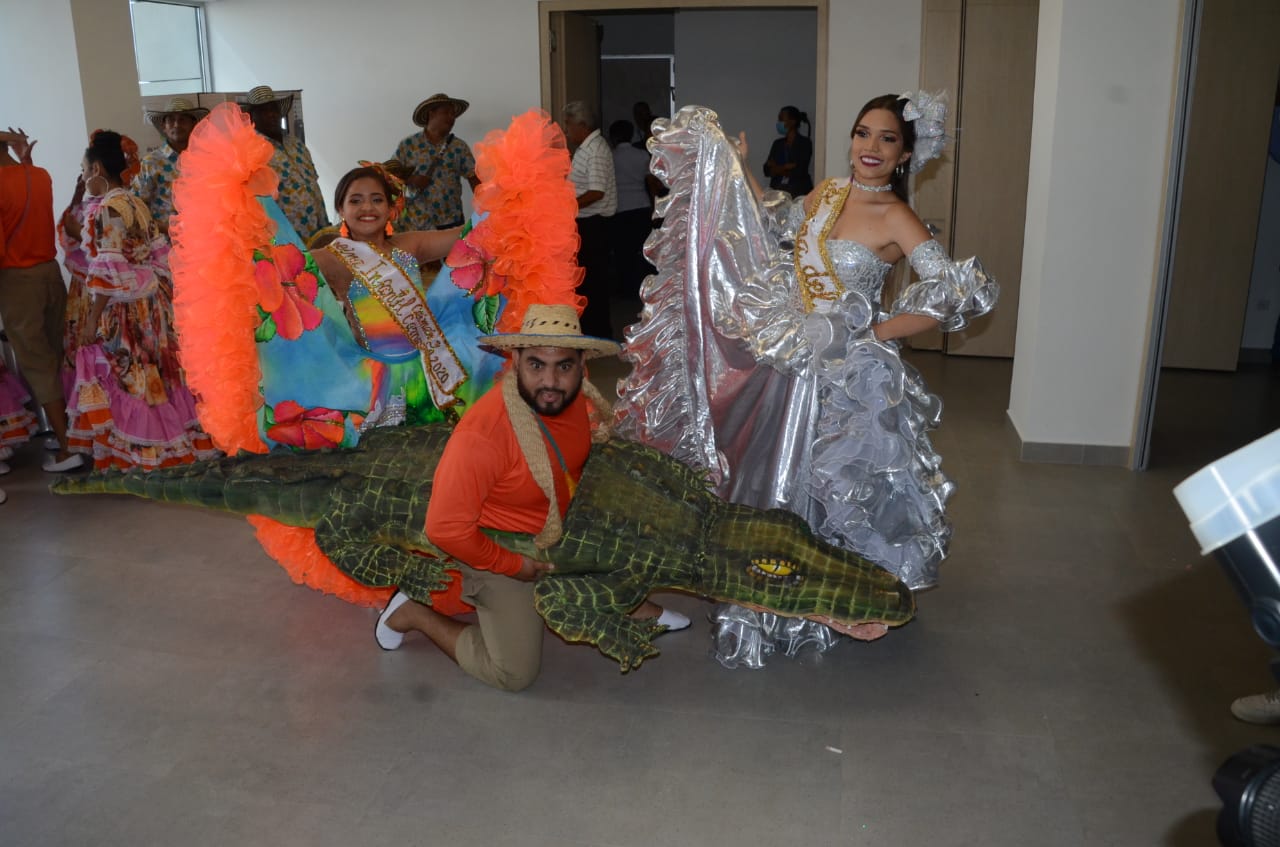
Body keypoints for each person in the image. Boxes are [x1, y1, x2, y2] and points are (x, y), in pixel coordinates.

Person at [615, 94, 997, 668]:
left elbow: (960, 291)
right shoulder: (829, 193)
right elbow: (775, 224)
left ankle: (830, 595)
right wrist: (740, 167)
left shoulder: (896, 215)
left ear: (906, 153)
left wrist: (876, 332)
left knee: (829, 492)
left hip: (848, 379)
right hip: (791, 363)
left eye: (886, 139)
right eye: (862, 133)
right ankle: (772, 586)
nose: (870, 147)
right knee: (771, 477)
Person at [377, 303, 689, 691]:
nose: (551, 382)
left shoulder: (573, 402)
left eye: (564, 366)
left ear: (581, 365)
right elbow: (444, 528)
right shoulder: (484, 435)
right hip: (500, 542)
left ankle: (628, 600)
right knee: (514, 673)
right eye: (537, 365)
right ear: (515, 361)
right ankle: (412, 612)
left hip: (555, 525)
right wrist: (510, 564)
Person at [58, 130, 216, 471]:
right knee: (158, 368)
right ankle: (176, 443)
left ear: (97, 169)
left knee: (133, 372)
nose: (84, 176)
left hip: (129, 308)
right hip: (153, 301)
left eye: (85, 169)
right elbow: (161, 255)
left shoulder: (109, 210)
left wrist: (91, 321)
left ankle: (149, 452)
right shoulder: (135, 203)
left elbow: (108, 272)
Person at [0, 127, 79, 472]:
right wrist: (25, 161)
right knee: (58, 354)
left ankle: (66, 447)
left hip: (18, 279)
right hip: (50, 273)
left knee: (36, 361)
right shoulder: (39, 174)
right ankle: (76, 434)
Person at [240, 85, 330, 241]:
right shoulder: (251, 151)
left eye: (274, 109)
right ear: (252, 117)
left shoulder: (296, 144)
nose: (271, 115)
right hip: (287, 237)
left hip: (318, 229)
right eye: (264, 111)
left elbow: (312, 183)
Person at [562, 101, 617, 339]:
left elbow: (597, 192)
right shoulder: (587, 148)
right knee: (588, 282)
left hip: (594, 224)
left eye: (569, 126)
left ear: (581, 125)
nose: (567, 132)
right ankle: (592, 331)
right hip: (587, 223)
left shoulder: (594, 150)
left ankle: (598, 334)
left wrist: (567, 205)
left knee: (593, 283)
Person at [391, 93, 478, 231]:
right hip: (414, 225)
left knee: (453, 254)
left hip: (451, 223)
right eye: (446, 113)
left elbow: (474, 178)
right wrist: (412, 179)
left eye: (453, 114)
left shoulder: (459, 147)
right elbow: (389, 176)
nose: (452, 118)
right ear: (431, 114)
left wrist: (489, 207)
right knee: (411, 254)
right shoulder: (408, 145)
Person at [132, 97, 208, 231]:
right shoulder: (151, 162)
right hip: (164, 244)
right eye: (171, 120)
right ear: (164, 126)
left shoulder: (205, 159)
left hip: (202, 239)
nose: (177, 125)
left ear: (194, 124)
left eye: (183, 120)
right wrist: (158, 227)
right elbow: (136, 204)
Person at [607, 119, 656, 300]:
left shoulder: (610, 156)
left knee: (623, 252)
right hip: (641, 206)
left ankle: (625, 289)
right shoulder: (642, 155)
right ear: (631, 135)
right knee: (643, 251)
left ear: (613, 137)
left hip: (619, 209)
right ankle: (645, 288)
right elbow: (651, 183)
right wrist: (654, 207)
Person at [763, 105, 813, 197]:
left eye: (781, 119)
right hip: (777, 193)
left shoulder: (805, 143)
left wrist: (776, 168)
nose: (779, 123)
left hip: (799, 193)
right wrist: (786, 167)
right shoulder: (777, 144)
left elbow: (800, 171)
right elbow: (767, 170)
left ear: (793, 122)